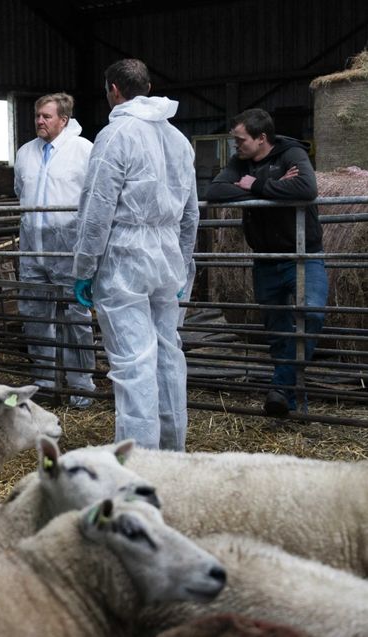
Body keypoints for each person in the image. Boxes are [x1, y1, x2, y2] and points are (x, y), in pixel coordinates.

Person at [72, 59, 199, 450]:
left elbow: (97, 209)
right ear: (147, 86)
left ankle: (139, 461)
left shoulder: (115, 135)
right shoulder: (178, 139)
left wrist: (84, 268)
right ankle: (173, 452)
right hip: (166, 257)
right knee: (167, 355)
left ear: (113, 89)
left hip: (125, 257)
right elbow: (191, 212)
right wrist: (184, 267)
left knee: (133, 364)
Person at [205, 108, 326, 416]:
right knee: (277, 330)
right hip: (266, 259)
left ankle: (280, 389)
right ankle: (292, 401)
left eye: (240, 139)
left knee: (310, 313)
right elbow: (215, 191)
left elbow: (306, 189)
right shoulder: (240, 162)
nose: (236, 145)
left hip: (302, 254)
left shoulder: (292, 154)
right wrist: (271, 186)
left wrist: (255, 185)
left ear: (261, 138)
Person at [13, 92, 95, 407]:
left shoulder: (83, 150)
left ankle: (80, 384)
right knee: (34, 312)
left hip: (69, 244)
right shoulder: (25, 153)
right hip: (33, 244)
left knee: (76, 315)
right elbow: (21, 191)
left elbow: (93, 196)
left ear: (63, 119)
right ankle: (44, 381)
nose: (39, 121)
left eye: (46, 116)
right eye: (37, 116)